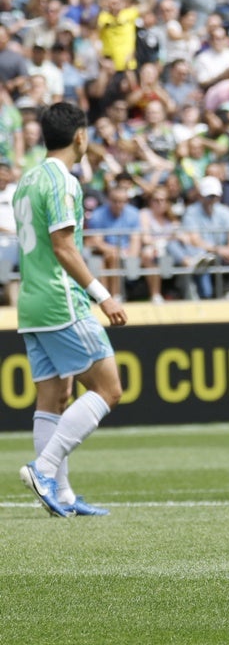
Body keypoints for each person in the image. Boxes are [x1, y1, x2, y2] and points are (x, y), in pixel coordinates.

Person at [14, 102, 128, 517]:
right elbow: (63, 246)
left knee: (55, 396)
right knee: (108, 388)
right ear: (80, 136)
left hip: (30, 301)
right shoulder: (63, 181)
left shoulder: (27, 180)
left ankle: (60, 495)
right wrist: (104, 294)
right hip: (61, 299)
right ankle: (44, 470)